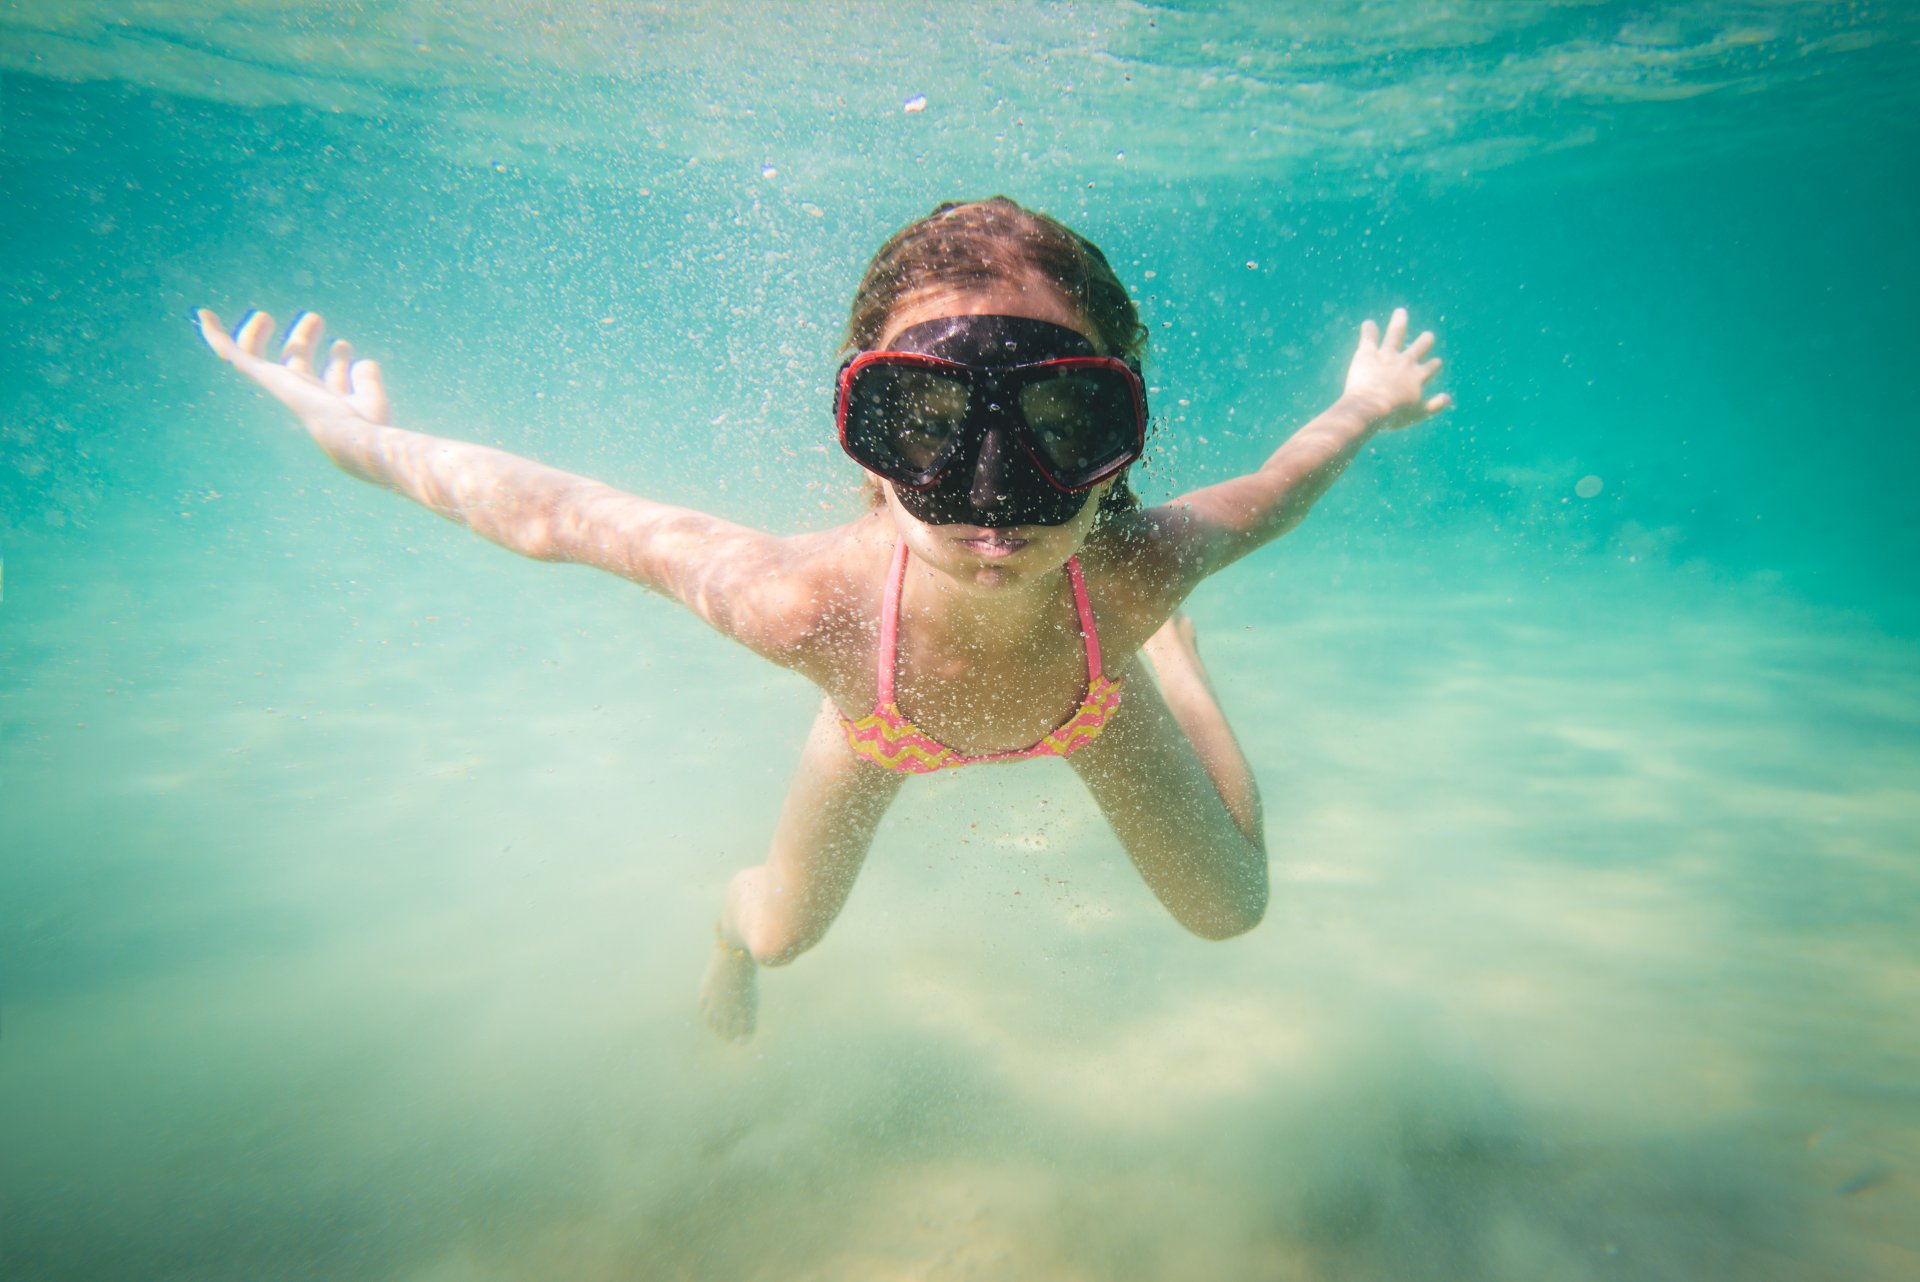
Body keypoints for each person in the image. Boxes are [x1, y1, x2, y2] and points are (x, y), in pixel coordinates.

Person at [194, 196, 1448, 1040]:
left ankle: (1182, 667)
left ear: (1123, 437)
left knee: (1232, 909)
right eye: (927, 421)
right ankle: (723, 935)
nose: (993, 500)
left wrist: (1367, 403)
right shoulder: (815, 608)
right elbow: (551, 513)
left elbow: (1285, 483)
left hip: (1093, 691)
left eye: (1062, 422)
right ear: (862, 431)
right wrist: (353, 436)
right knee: (779, 934)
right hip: (884, 720)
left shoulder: (1135, 570)